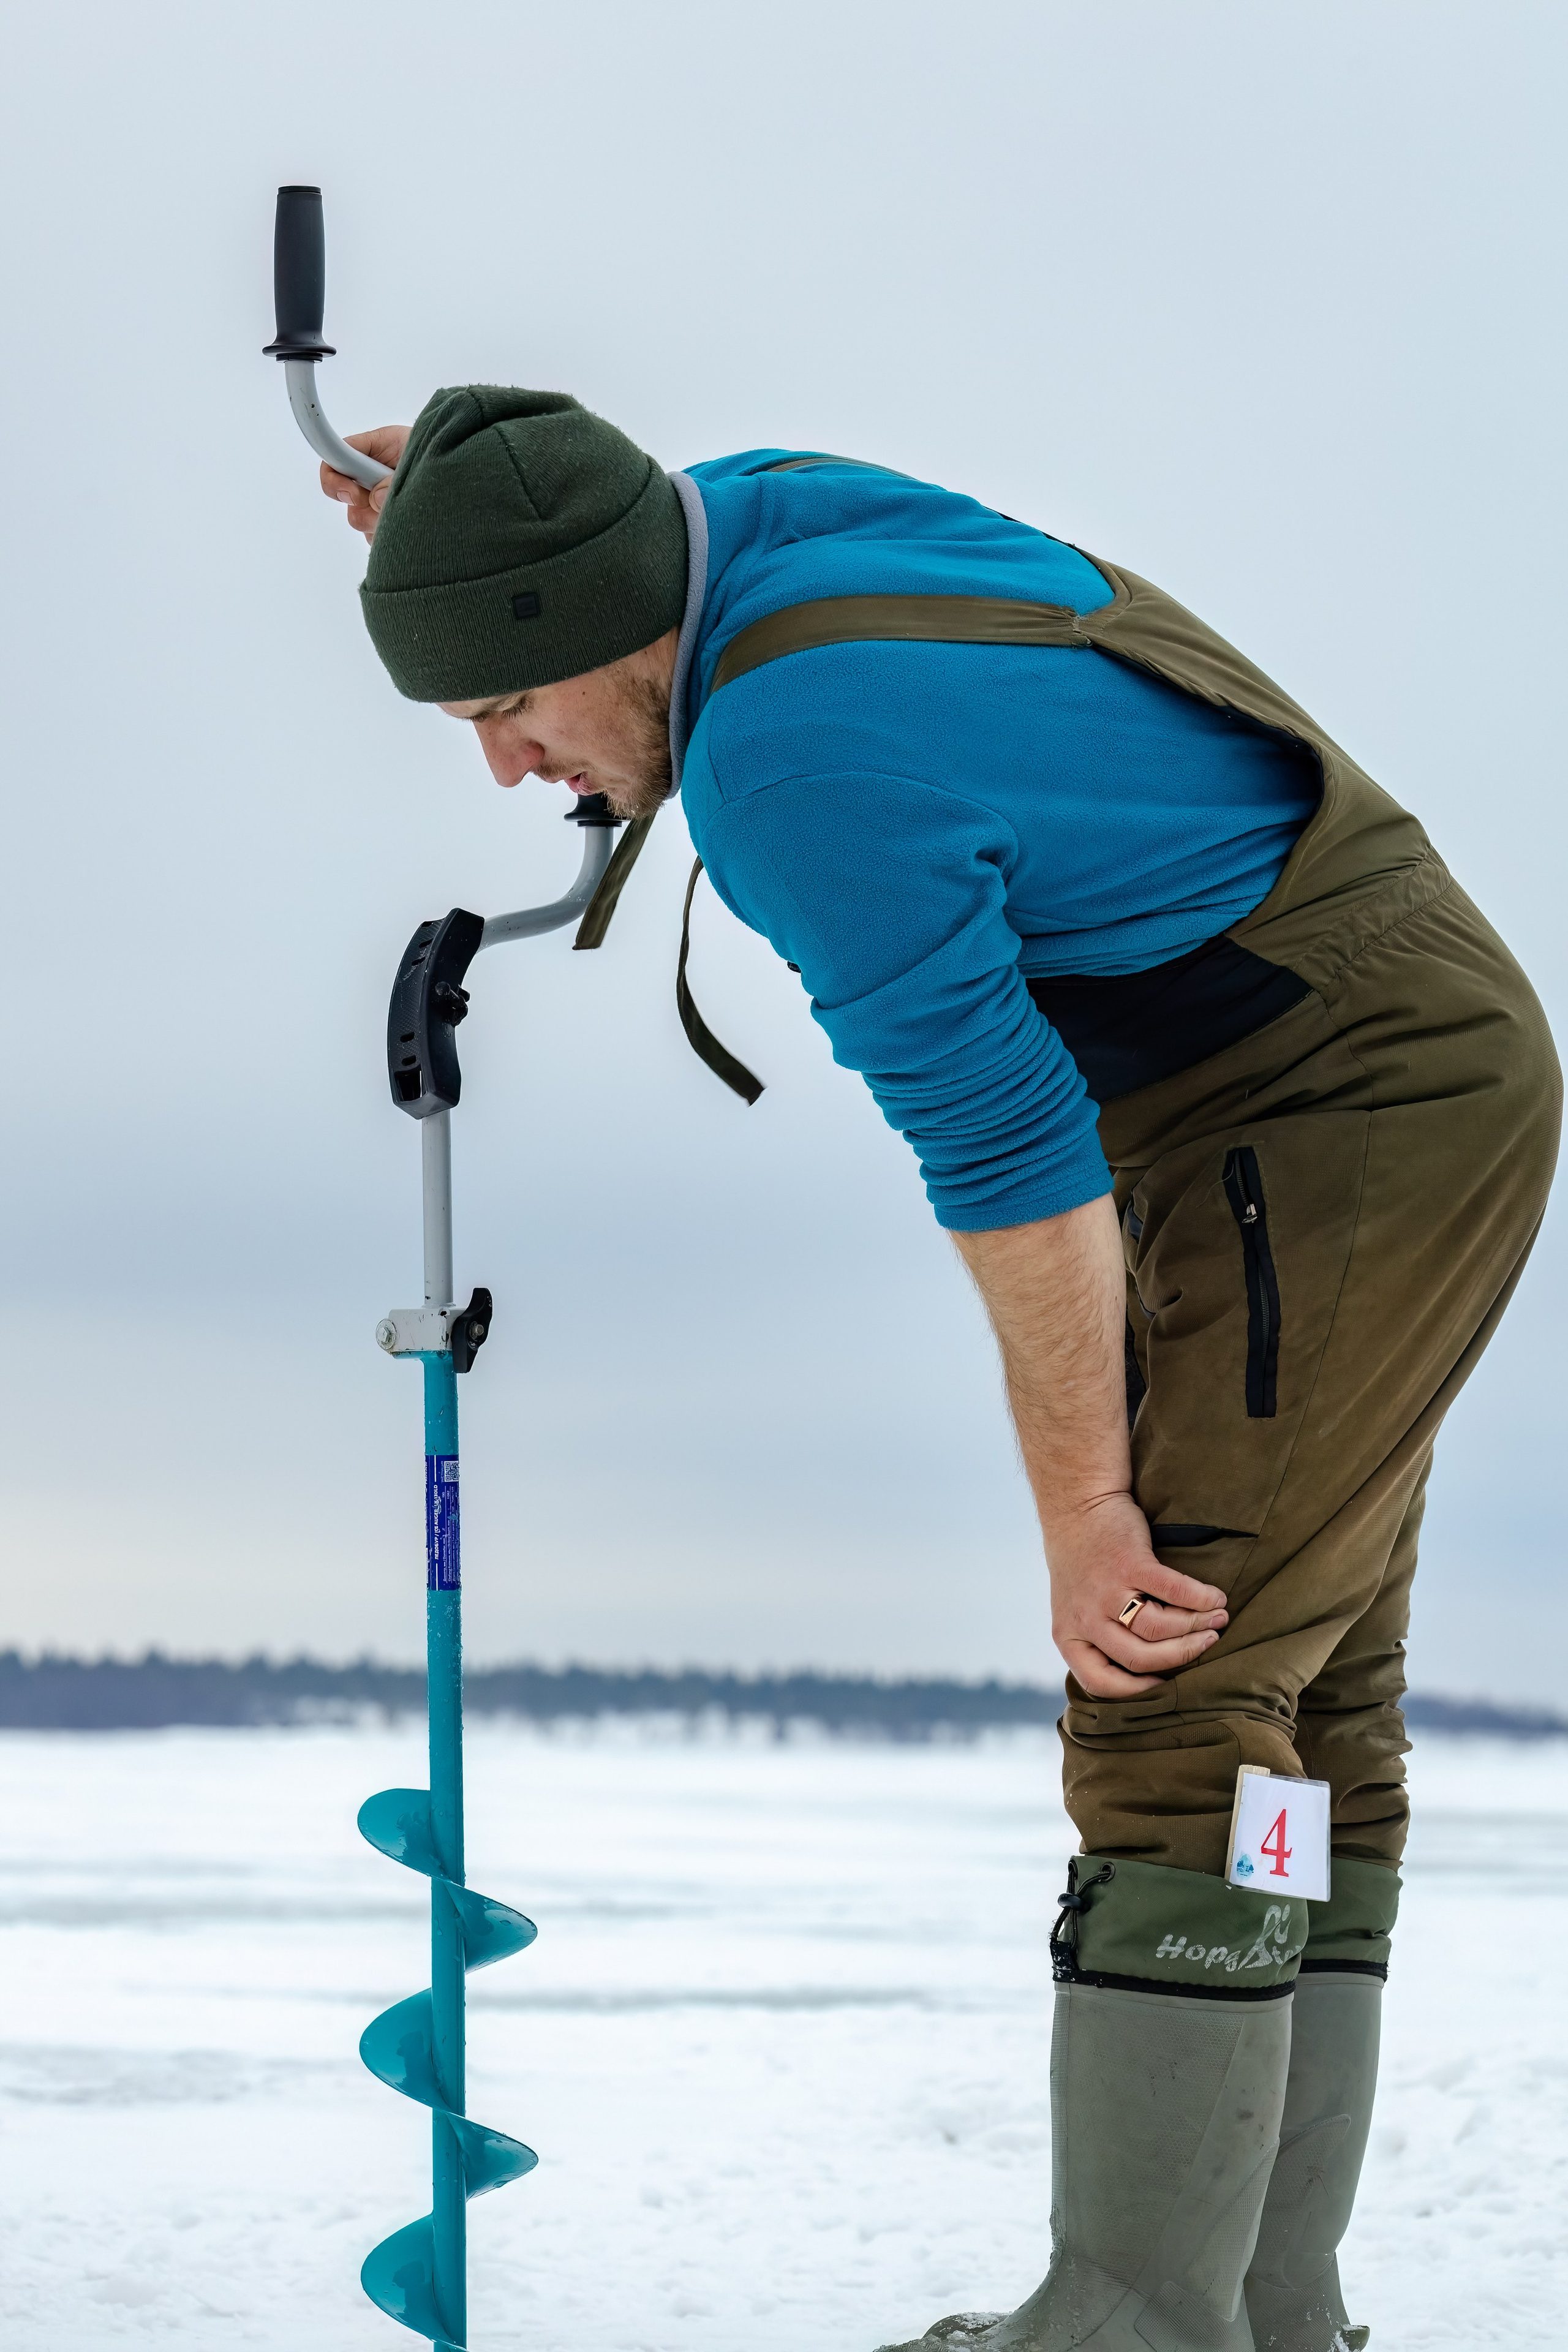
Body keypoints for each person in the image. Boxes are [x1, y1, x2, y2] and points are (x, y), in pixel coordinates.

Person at [322, 389, 1559, 2352]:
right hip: (1365, 1060)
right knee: (1301, 1688)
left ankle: (1142, 2327)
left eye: (511, 707)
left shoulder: (795, 764)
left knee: (1171, 1665)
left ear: (607, 616)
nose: (506, 769)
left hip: (1335, 1097)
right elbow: (590, 524)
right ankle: (1260, 2307)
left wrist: (1082, 1513)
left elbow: (1014, 1168)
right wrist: (448, 509)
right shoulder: (730, 523)